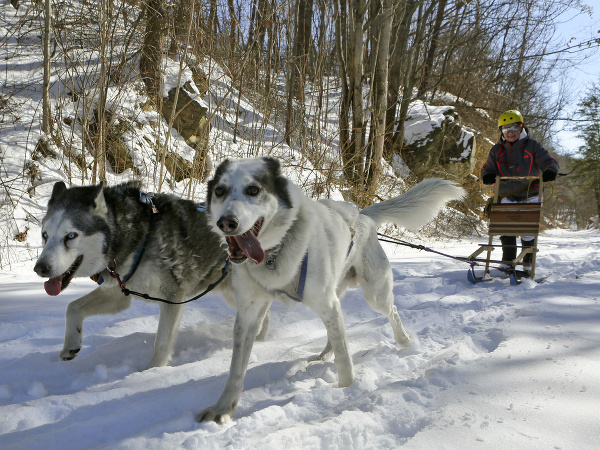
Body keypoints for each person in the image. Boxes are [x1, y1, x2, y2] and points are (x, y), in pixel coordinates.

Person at [481, 109, 559, 272]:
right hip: (506, 192)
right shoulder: (497, 150)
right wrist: (488, 174)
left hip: (530, 192)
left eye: (514, 128)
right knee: (505, 225)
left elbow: (548, 161)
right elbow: (488, 167)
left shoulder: (532, 146)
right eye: (506, 129)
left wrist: (550, 170)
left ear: (521, 127)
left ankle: (527, 261)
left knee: (527, 227)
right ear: (501, 131)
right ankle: (508, 259)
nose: (510, 133)